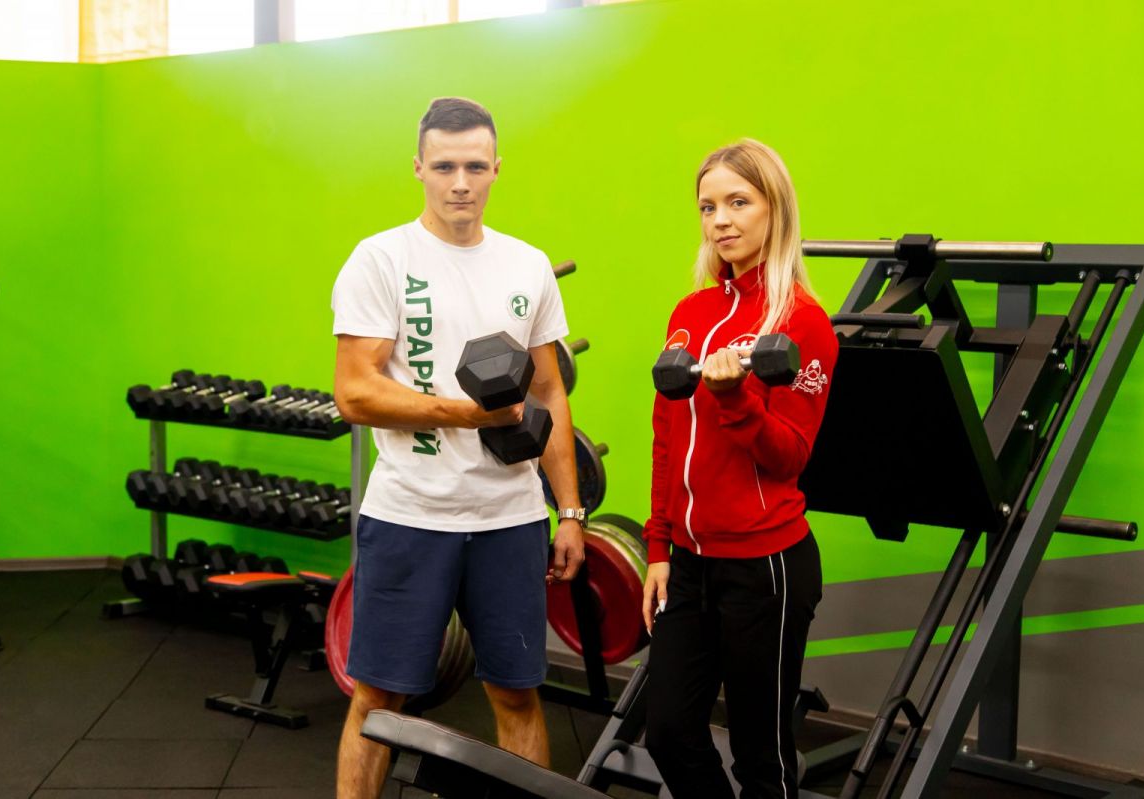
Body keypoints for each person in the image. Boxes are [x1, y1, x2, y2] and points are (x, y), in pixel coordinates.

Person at [330, 97, 585, 799]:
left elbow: (550, 391)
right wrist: (466, 414)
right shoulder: (381, 259)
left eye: (475, 166)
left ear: (498, 168)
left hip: (510, 519)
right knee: (378, 698)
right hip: (410, 514)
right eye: (444, 167)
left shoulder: (527, 264)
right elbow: (354, 392)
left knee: (517, 693)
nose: (461, 183)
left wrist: (569, 510)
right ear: (418, 168)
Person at [641, 139, 838, 799]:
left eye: (738, 202)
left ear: (774, 208)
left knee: (763, 757)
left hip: (765, 565)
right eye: (708, 207)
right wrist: (659, 546)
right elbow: (666, 438)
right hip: (689, 564)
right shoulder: (690, 314)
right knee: (669, 732)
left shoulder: (803, 323)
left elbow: (790, 456)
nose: (721, 220)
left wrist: (735, 398)